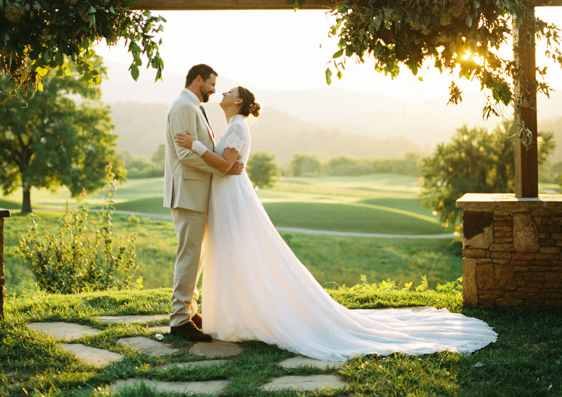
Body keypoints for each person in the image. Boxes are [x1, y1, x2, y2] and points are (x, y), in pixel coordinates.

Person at [175, 85, 497, 361]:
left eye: (231, 91)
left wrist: (197, 146)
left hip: (232, 198)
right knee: (229, 255)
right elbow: (225, 165)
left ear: (240, 102)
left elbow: (225, 163)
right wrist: (218, 161)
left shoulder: (237, 126)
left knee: (243, 255)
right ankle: (231, 316)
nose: (224, 92)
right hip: (227, 195)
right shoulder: (233, 124)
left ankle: (252, 313)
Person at [164, 64, 244, 342]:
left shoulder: (195, 106)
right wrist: (221, 168)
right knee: (189, 254)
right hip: (187, 192)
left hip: (196, 193)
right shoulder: (184, 106)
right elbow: (185, 155)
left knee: (196, 256)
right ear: (198, 80)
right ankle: (179, 321)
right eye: (211, 84)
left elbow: (200, 148)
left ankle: (189, 311)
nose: (213, 90)